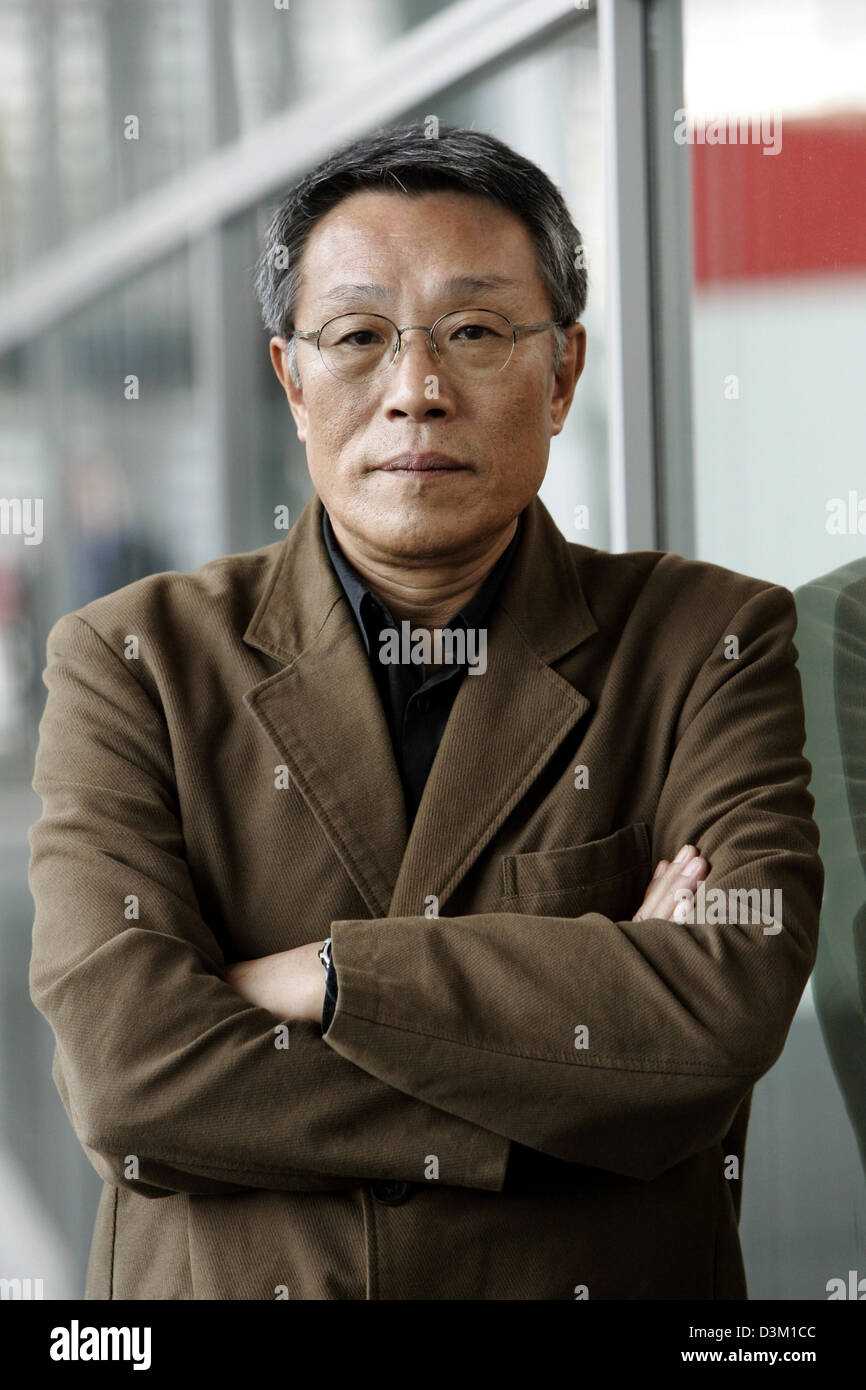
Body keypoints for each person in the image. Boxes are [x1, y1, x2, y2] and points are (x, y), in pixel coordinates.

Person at [28, 124, 823, 1300]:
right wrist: (577, 1074)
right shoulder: (132, 658)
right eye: (357, 336)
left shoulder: (704, 640)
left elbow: (717, 1014)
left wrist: (320, 979)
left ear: (561, 374)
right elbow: (130, 1079)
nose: (415, 390)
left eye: (474, 331)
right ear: (291, 383)